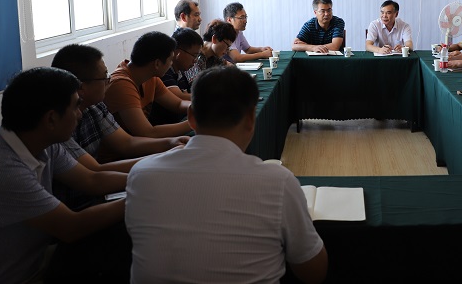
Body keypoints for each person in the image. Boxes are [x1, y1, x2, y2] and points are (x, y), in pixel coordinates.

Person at [126, 66, 329, 283]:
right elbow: (314, 273)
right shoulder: (277, 182)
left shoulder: (141, 175)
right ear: (251, 119)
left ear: (191, 116)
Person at [0, 68, 128, 283]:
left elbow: (92, 180)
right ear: (51, 119)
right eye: (75, 106)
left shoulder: (43, 142)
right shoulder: (2, 167)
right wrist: (144, 193)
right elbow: (71, 227)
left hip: (37, 261)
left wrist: (148, 176)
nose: (80, 114)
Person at [51, 44, 189, 209]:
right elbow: (94, 173)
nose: (109, 81)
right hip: (76, 204)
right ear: (81, 87)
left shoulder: (95, 107)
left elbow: (126, 143)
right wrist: (160, 163)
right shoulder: (58, 125)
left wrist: (170, 143)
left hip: (100, 191)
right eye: (104, 77)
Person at [104, 31, 193, 138]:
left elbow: (178, 104)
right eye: (170, 60)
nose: (171, 64)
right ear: (157, 63)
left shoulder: (151, 77)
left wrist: (199, 108)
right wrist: (195, 122)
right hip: (127, 147)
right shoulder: (121, 85)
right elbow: (147, 132)